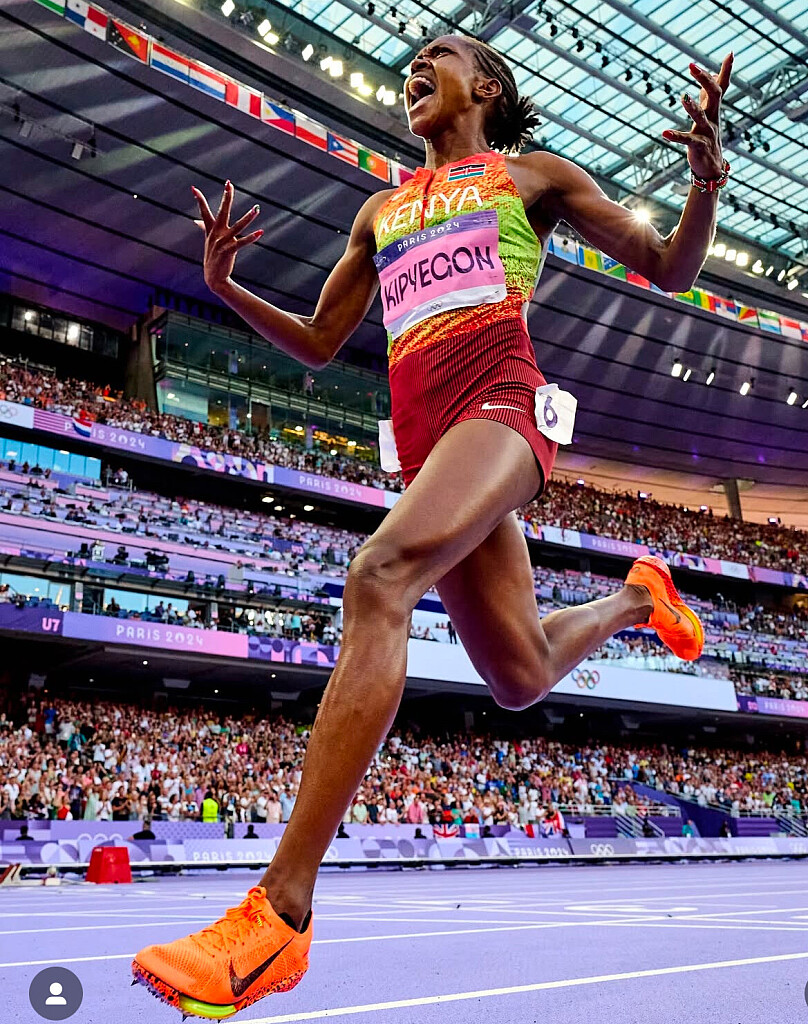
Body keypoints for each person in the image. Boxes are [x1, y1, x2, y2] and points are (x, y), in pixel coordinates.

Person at [133, 34, 732, 1017]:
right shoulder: (380, 210)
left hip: (500, 405)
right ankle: (635, 597)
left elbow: (669, 267)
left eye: (435, 55)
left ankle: (279, 912)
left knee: (377, 577)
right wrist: (226, 288)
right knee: (519, 676)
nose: (414, 68)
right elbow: (321, 342)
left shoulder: (532, 177)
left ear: (484, 85)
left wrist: (704, 185)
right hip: (425, 443)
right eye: (408, 60)